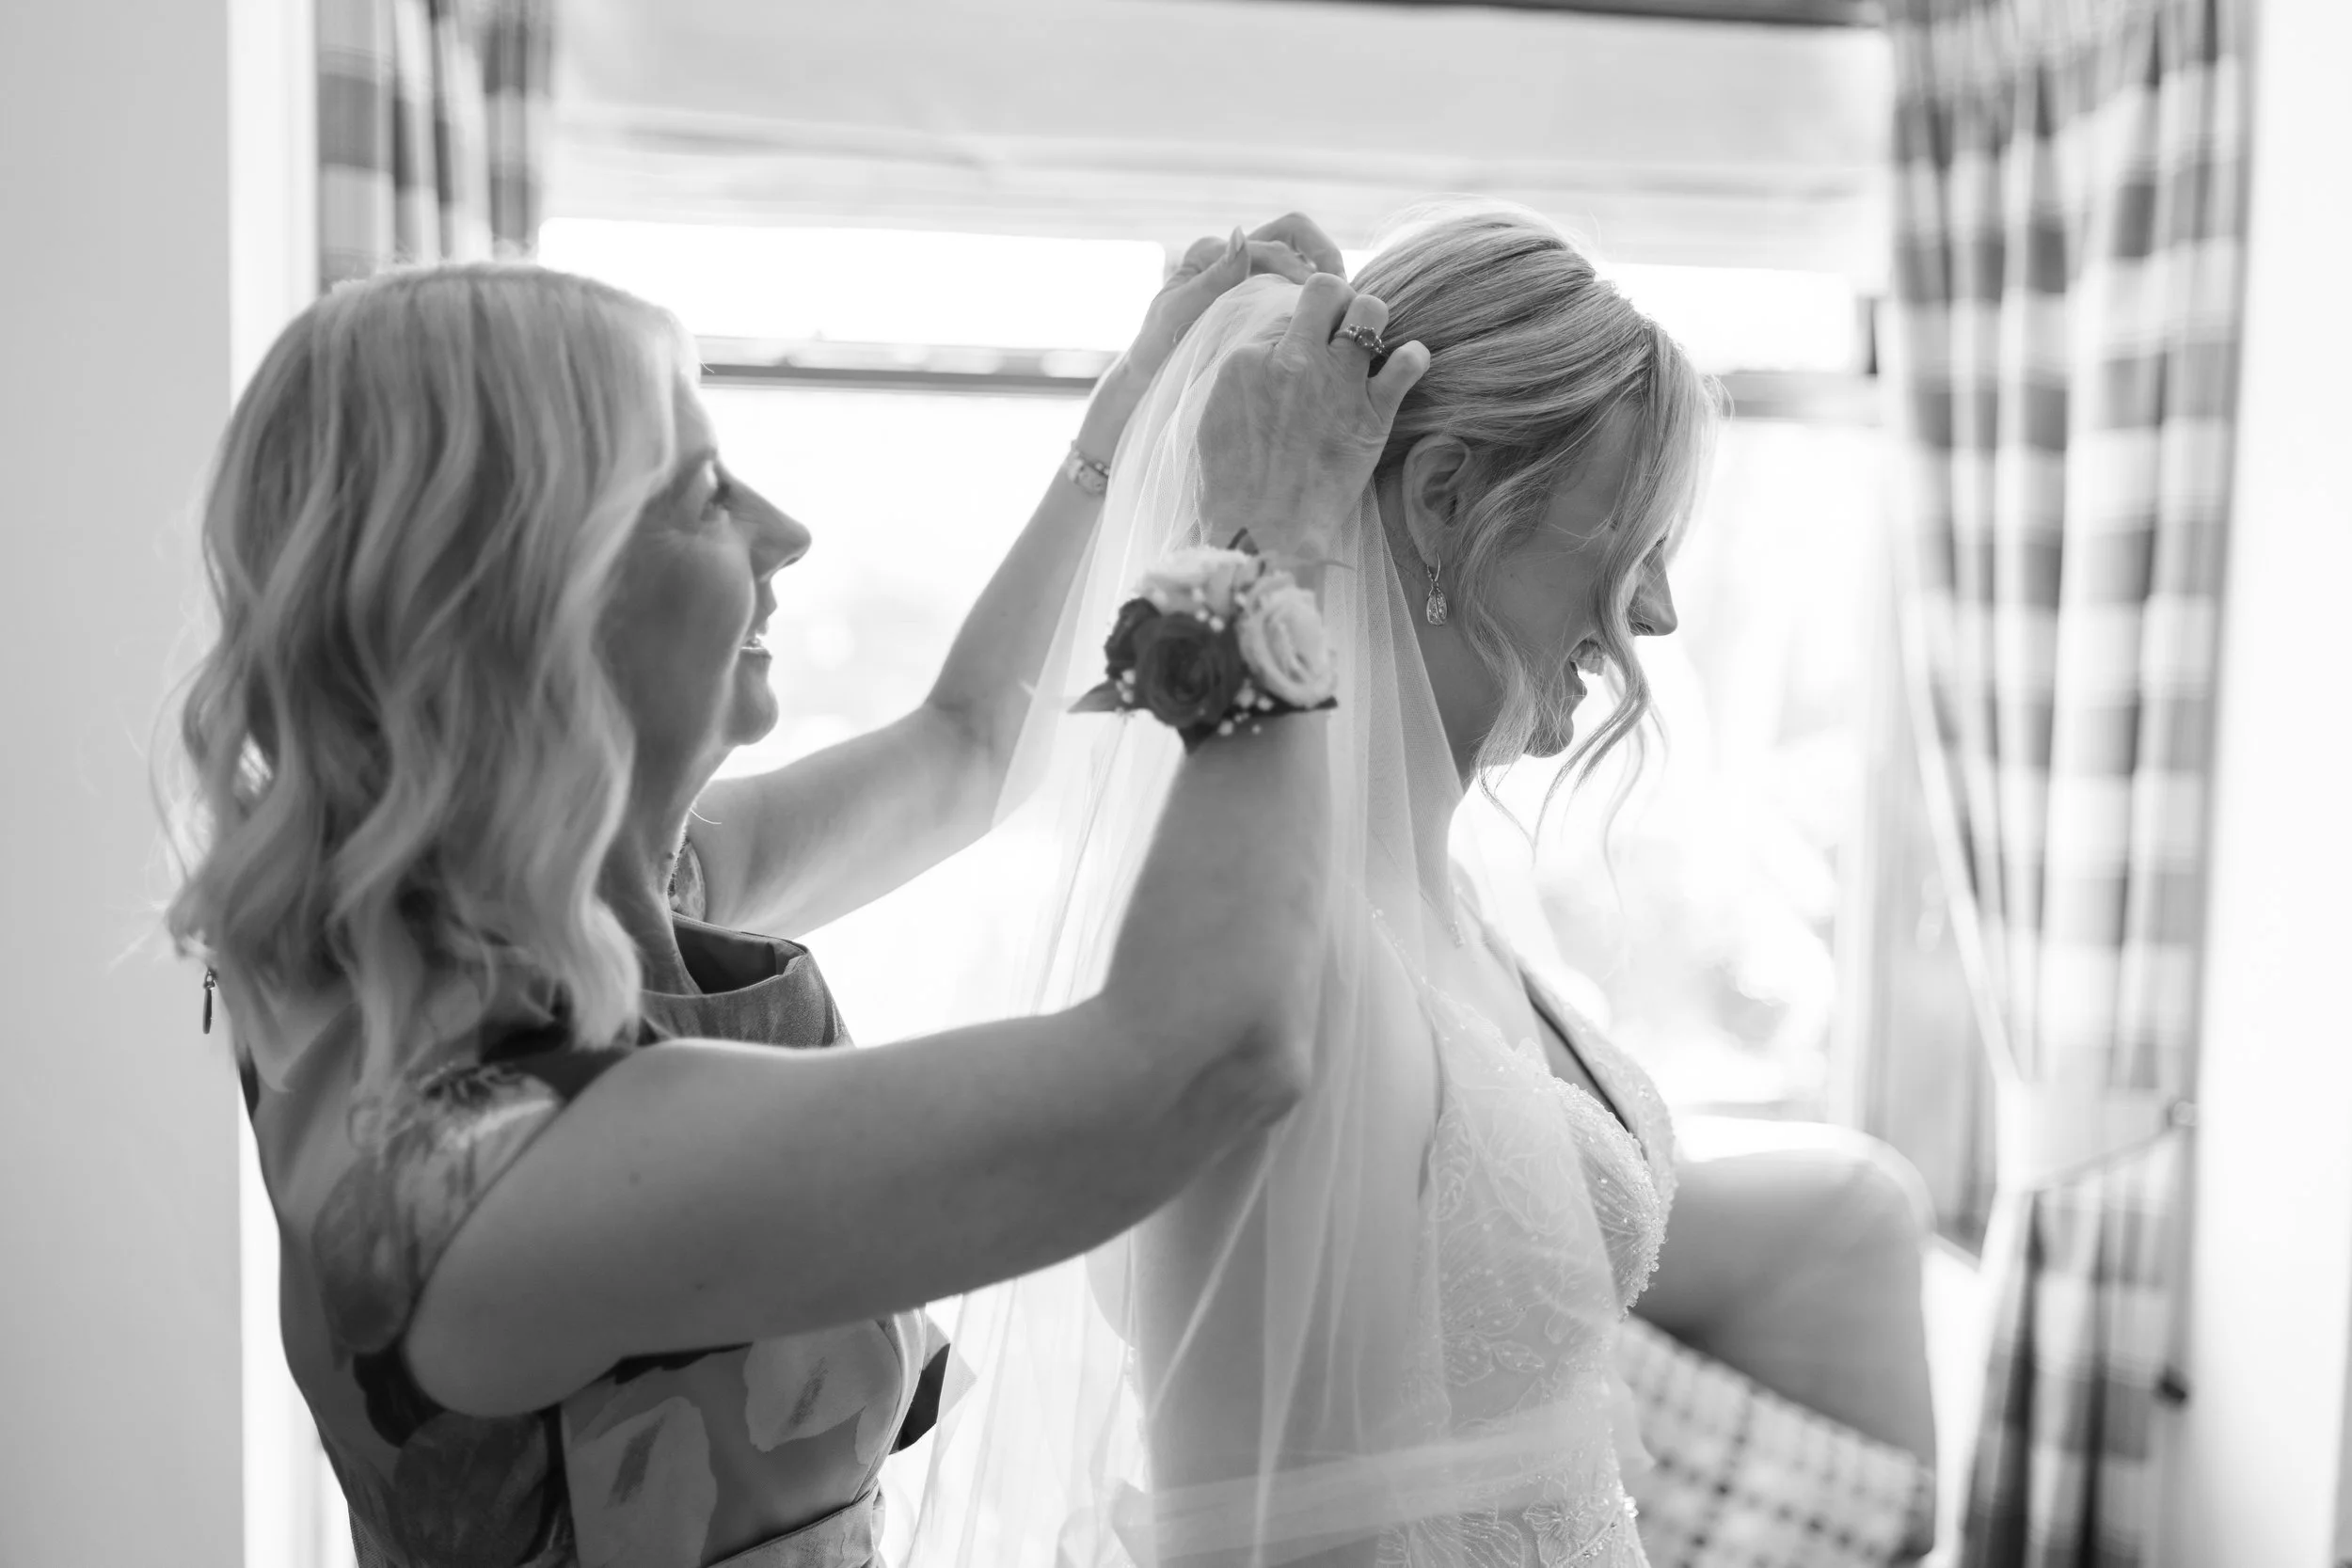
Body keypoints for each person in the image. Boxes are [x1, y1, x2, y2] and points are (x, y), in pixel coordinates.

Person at [166, 218, 1429, 1567]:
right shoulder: (498, 1169)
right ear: (533, 589)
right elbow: (1196, 1058)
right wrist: (1268, 551)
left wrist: (1125, 425)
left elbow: (970, 749)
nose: (789, 532)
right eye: (706, 495)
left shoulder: (564, 921)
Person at [913, 204, 1934, 1568]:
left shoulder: (1449, 900)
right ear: (1448, 497)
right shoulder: (1287, 927)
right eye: (1637, 531)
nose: (1664, 614)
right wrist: (1260, 525)